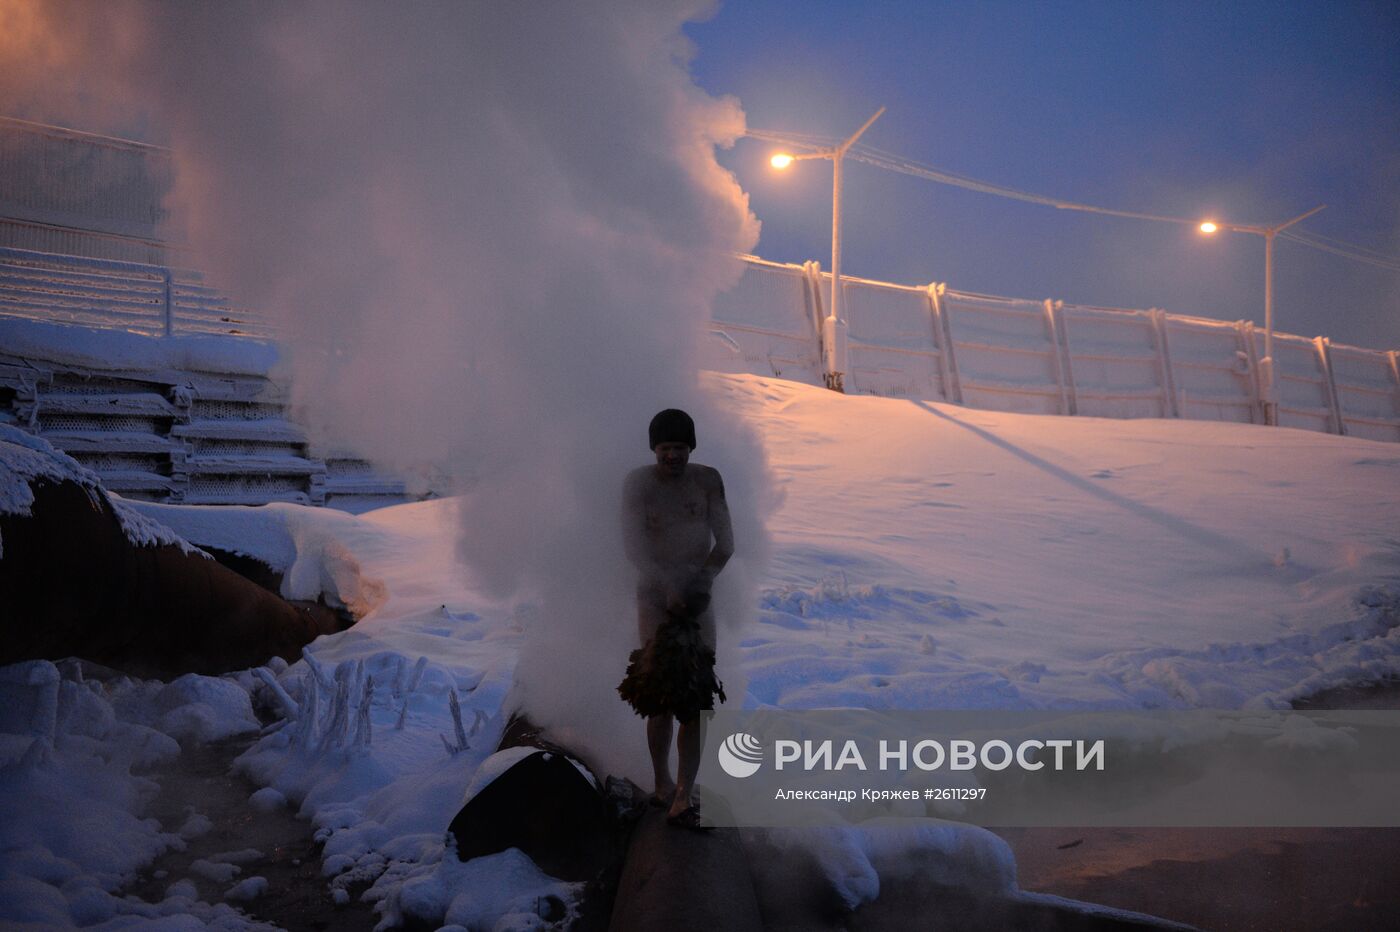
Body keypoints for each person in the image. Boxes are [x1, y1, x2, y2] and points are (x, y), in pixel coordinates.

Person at [617, 408, 734, 829]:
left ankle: (685, 793)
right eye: (666, 449)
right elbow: (633, 546)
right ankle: (663, 783)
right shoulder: (639, 484)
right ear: (654, 449)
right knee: (660, 693)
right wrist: (666, 585)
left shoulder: (707, 480)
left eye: (680, 448)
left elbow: (726, 543)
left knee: (696, 696)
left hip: (697, 596)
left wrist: (699, 583)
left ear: (691, 448)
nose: (673, 456)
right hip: (654, 597)